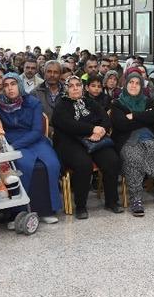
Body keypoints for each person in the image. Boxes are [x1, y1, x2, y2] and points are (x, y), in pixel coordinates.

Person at [0, 73, 62, 224]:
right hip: (11, 139)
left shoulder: (33, 102)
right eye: (6, 85)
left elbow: (37, 130)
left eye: (13, 84)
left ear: (19, 85)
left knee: (51, 164)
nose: (10, 88)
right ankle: (20, 212)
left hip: (35, 140)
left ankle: (46, 210)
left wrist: (14, 146)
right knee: (23, 165)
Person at [109, 71, 154, 216]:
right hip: (128, 140)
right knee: (133, 158)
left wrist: (134, 116)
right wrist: (143, 118)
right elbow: (121, 125)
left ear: (141, 86)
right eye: (131, 82)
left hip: (150, 138)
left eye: (137, 83)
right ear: (125, 84)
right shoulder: (117, 103)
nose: (134, 85)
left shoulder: (147, 100)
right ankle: (136, 200)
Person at [50, 75, 122, 219]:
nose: (75, 88)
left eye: (78, 85)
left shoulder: (90, 102)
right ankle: (81, 206)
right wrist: (91, 129)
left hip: (95, 139)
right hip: (70, 142)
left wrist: (100, 130)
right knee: (83, 164)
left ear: (83, 87)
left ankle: (111, 201)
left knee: (111, 160)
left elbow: (105, 118)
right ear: (66, 89)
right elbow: (68, 125)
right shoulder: (61, 105)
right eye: (71, 86)